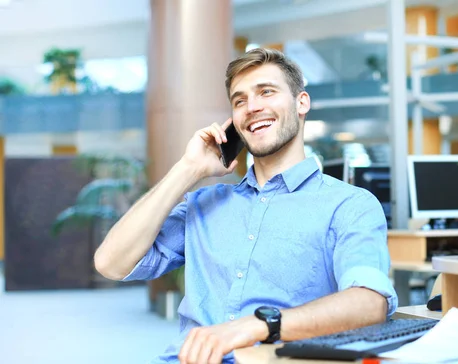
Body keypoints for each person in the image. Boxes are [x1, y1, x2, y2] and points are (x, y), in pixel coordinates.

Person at [94, 48, 398, 364]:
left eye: (266, 92)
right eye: (240, 101)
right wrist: (188, 169)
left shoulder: (350, 205)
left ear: (301, 103)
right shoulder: (204, 204)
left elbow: (369, 304)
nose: (252, 107)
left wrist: (259, 325)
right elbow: (110, 263)